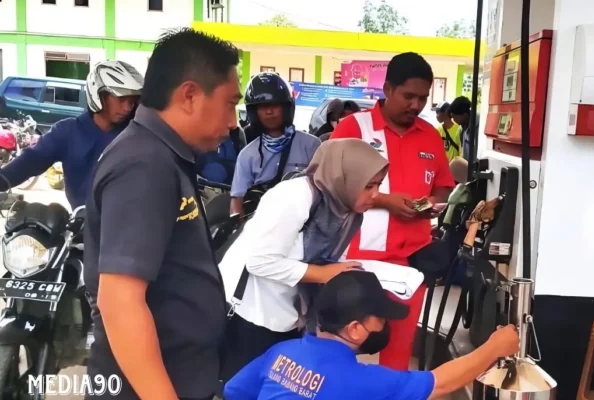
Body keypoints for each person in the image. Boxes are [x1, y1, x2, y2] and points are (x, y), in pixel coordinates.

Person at [83, 28, 241, 400]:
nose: (234, 121)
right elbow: (120, 301)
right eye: (230, 103)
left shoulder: (164, 155)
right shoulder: (144, 163)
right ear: (189, 95)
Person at [218, 138, 389, 380]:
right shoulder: (295, 197)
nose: (375, 195)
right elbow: (259, 261)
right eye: (369, 186)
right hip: (255, 310)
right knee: (248, 384)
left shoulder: (344, 209)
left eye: (378, 185)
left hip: (292, 311)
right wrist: (325, 273)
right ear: (344, 177)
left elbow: (330, 259)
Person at [329, 52, 455, 370]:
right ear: (387, 89)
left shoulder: (430, 136)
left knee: (399, 349)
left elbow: (442, 185)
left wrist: (430, 205)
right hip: (355, 259)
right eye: (408, 96)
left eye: (423, 98)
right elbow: (329, 184)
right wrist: (386, 201)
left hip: (410, 259)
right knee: (338, 341)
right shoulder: (353, 128)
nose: (415, 105)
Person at [224, 270, 520, 400]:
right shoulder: (362, 380)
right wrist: (495, 347)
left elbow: (235, 392)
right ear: (354, 328)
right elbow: (441, 384)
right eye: (380, 319)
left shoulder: (281, 352)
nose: (384, 327)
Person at [0, 60, 143, 208]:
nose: (127, 107)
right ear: (99, 95)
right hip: (82, 225)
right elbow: (31, 160)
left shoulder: (135, 135)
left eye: (132, 101)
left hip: (128, 223)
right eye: (121, 99)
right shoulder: (68, 131)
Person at [230, 72, 321, 215]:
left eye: (275, 105)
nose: (269, 111)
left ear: (286, 107)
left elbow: (325, 192)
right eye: (262, 106)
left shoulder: (311, 146)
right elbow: (237, 200)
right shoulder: (247, 155)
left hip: (304, 225)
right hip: (262, 227)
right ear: (254, 111)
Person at [448, 96, 478, 161]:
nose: (454, 120)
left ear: (464, 114)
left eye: (454, 117)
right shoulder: (462, 128)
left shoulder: (478, 127)